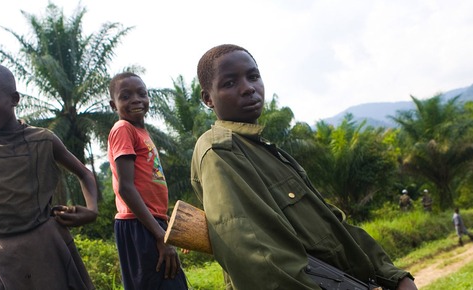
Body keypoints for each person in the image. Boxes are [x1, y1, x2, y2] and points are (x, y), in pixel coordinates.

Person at [190, 44, 417, 290]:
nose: (248, 88)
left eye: (253, 77)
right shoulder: (219, 151)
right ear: (208, 98)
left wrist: (394, 276)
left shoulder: (269, 152)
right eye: (230, 83)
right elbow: (254, 253)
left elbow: (332, 224)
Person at [0, 64, 98, 289]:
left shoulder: (43, 140)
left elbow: (84, 174)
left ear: (14, 99)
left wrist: (91, 210)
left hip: (43, 247)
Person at [107, 72, 188, 290]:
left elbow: (147, 185)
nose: (136, 99)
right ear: (113, 105)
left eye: (141, 93)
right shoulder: (123, 129)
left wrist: (165, 221)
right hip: (137, 225)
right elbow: (125, 187)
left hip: (150, 222)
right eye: (125, 96)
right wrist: (160, 235)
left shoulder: (141, 132)